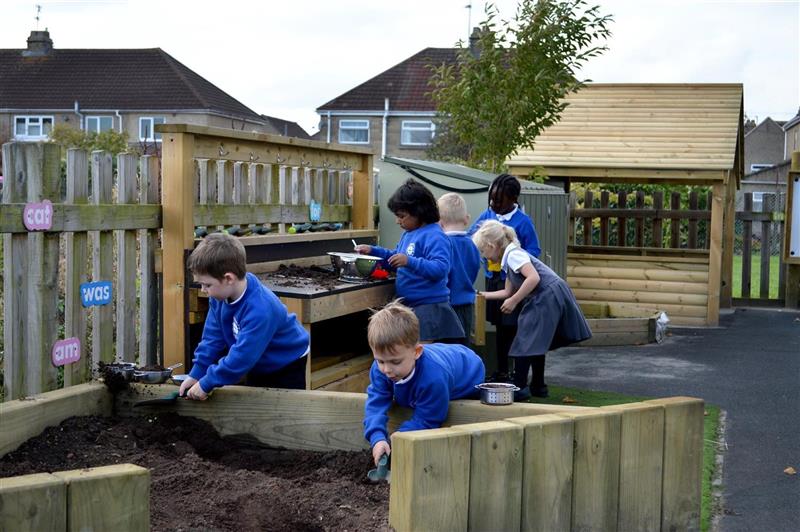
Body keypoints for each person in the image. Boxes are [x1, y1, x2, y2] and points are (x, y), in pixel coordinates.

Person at [179, 232, 310, 400]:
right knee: (254, 402)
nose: (203, 290)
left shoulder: (260, 309)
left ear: (228, 278)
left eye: (207, 284)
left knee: (284, 411)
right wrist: (197, 373)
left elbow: (242, 358)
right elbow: (212, 338)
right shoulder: (219, 297)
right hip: (257, 358)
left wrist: (207, 383)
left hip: (285, 361)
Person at [472, 220, 591, 400]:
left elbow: (533, 278)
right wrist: (481, 294)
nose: (484, 256)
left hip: (547, 294)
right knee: (537, 340)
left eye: (483, 251)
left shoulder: (513, 255)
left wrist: (514, 300)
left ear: (492, 245)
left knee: (526, 336)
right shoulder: (509, 258)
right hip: (547, 294)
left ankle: (519, 386)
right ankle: (538, 385)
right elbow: (507, 291)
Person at [363, 300, 485, 465]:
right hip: (441, 361)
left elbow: (428, 419)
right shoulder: (380, 369)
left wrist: (398, 438)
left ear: (417, 352)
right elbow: (376, 402)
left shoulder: (434, 378)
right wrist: (377, 438)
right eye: (380, 361)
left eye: (395, 362)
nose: (386, 369)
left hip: (469, 372)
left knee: (444, 403)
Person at [356, 179, 464, 343]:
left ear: (420, 212)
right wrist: (373, 251)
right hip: (410, 308)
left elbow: (440, 269)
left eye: (402, 216)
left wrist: (409, 261)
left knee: (422, 354)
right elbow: (395, 258)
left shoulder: (435, 235)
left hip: (429, 310)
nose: (397, 221)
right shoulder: (409, 233)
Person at [468, 174, 541, 382]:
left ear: (514, 199)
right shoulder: (487, 214)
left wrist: (514, 260)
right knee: (500, 327)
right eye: (491, 199)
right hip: (494, 280)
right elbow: (472, 238)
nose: (493, 204)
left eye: (499, 200)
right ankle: (501, 370)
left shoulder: (523, 222)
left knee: (513, 327)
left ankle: (517, 374)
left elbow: (534, 249)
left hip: (515, 282)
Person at [437, 192, 481, 344]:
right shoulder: (473, 245)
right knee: (463, 349)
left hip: (448, 306)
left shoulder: (442, 245)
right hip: (467, 305)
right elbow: (475, 269)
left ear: (439, 222)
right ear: (467, 219)